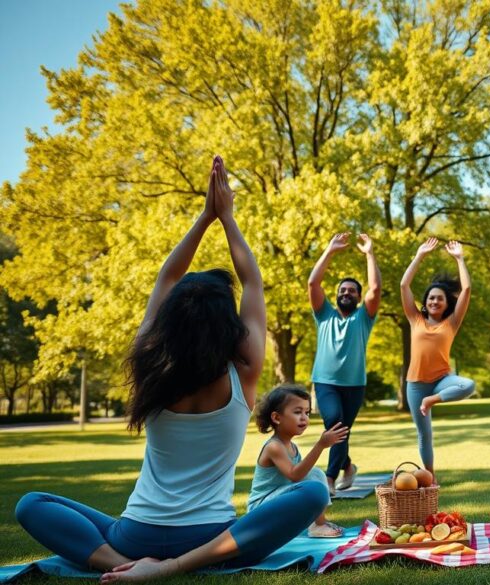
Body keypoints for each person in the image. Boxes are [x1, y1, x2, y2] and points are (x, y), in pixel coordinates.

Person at [15, 157, 330, 581]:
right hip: (211, 541)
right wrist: (226, 219)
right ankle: (175, 568)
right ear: (227, 325)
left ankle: (119, 563)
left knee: (31, 504)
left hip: (135, 535)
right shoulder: (246, 371)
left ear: (168, 323)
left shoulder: (149, 366)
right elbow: (252, 281)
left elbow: (167, 278)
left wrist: (204, 218)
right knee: (313, 491)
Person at [307, 232, 381, 494]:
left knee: (340, 430)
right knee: (336, 424)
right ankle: (330, 477)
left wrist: (369, 252)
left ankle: (348, 467)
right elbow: (313, 283)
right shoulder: (324, 314)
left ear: (358, 297)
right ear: (336, 295)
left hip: (354, 384)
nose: (346, 293)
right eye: (342, 290)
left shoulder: (363, 318)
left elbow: (376, 289)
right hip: (325, 381)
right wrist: (329, 250)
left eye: (351, 290)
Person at [399, 237, 476, 474]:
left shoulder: (452, 323)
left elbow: (466, 289)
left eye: (439, 298)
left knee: (469, 385)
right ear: (425, 302)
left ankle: (432, 400)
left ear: (445, 304)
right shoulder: (416, 319)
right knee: (424, 434)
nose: (434, 301)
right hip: (415, 384)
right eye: (431, 297)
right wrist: (419, 255)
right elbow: (404, 286)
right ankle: (429, 476)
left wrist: (460, 259)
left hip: (443, 379)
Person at [249, 385, 349, 537]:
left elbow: (302, 476)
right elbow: (295, 475)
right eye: (297, 412)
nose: (304, 417)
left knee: (315, 474)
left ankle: (318, 523)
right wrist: (320, 445)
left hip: (277, 502)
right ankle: (318, 525)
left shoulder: (292, 447)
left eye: (307, 412)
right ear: (276, 417)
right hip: (260, 508)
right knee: (315, 475)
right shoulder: (274, 446)